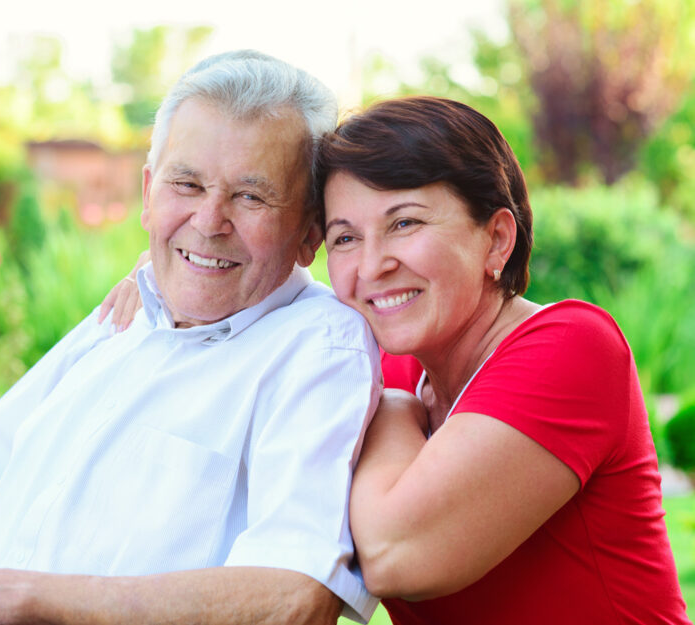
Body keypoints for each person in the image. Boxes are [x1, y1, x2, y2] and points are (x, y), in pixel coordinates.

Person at [102, 95, 689, 624]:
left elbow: (396, 555)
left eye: (404, 222)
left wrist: (393, 408)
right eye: (346, 238)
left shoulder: (569, 346)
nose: (373, 264)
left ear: (498, 240)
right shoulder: (395, 358)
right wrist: (160, 277)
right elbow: (271, 307)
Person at [0, 50, 382, 625]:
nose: (210, 221)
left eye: (251, 196)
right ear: (147, 193)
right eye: (186, 184)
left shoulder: (317, 348)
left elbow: (295, 593)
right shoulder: (127, 311)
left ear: (310, 231)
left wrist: (27, 599)